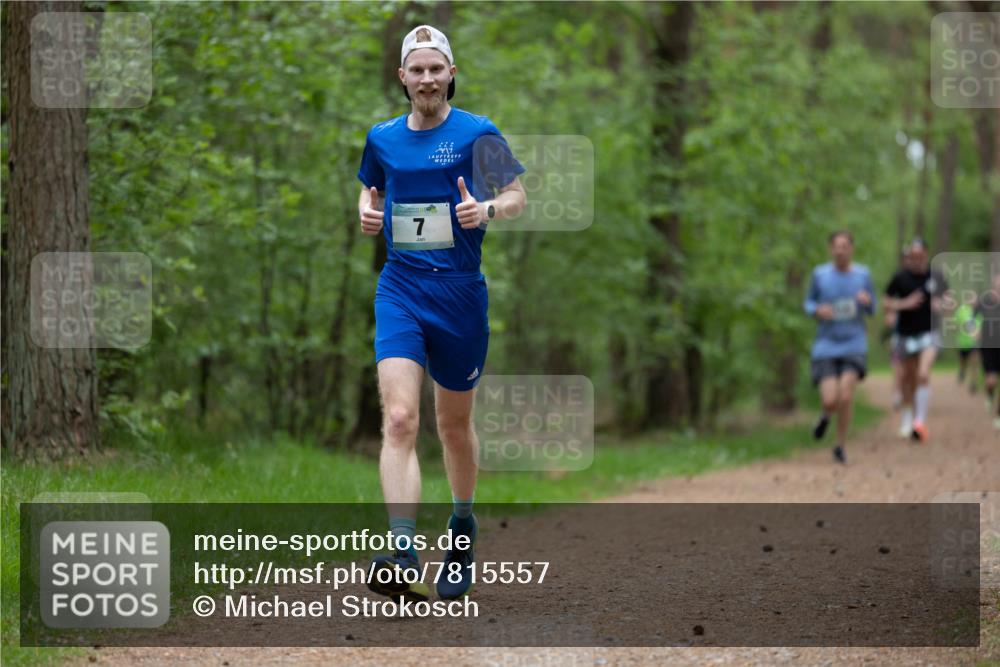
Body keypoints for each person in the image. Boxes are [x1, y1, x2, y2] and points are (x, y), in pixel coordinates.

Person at [356, 25, 526, 602]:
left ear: (451, 73)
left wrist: (488, 210)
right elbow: (371, 190)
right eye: (417, 70)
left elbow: (517, 196)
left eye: (436, 69)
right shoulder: (381, 138)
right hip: (400, 289)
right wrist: (366, 213)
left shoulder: (478, 133)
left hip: (459, 294)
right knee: (401, 418)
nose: (427, 79)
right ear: (402, 77)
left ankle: (461, 526)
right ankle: (402, 549)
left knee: (453, 426)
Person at [804, 231, 877, 464]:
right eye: (836, 246)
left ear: (851, 249)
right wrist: (817, 310)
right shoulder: (820, 274)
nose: (840, 251)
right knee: (830, 399)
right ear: (830, 249)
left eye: (844, 246)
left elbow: (873, 307)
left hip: (854, 342)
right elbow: (808, 303)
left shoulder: (863, 275)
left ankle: (840, 445)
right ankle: (825, 416)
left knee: (845, 396)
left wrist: (867, 301)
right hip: (826, 344)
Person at [884, 238, 947, 443]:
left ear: (926, 255)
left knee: (923, 374)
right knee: (907, 379)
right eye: (913, 256)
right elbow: (886, 302)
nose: (917, 259)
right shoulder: (900, 277)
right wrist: (904, 304)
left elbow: (950, 299)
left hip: (929, 333)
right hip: (905, 335)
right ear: (909, 257)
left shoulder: (936, 276)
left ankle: (919, 422)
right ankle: (906, 419)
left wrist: (942, 304)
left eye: (920, 256)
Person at [977, 273, 1000, 429]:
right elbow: (971, 318)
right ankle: (990, 395)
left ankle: (998, 415)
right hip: (988, 346)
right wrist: (974, 330)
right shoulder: (985, 302)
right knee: (991, 381)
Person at [954, 299, 982, 394]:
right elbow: (956, 325)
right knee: (963, 361)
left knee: (974, 362)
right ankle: (962, 370)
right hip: (963, 342)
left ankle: (973, 383)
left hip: (975, 342)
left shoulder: (981, 312)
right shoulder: (961, 311)